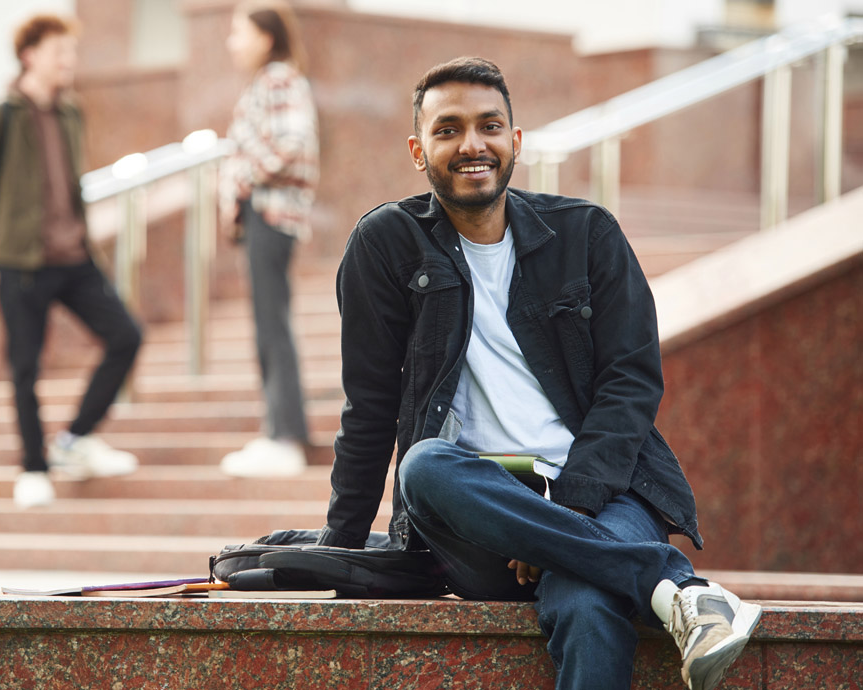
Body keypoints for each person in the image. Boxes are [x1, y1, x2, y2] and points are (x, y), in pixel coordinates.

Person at [317, 57, 762, 690]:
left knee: (584, 600)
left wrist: (566, 512)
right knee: (423, 464)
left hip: (604, 492)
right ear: (419, 150)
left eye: (489, 126)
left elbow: (630, 386)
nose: (472, 144)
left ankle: (613, 567)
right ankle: (674, 587)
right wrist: (339, 554)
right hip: (476, 511)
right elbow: (369, 406)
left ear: (515, 142)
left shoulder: (587, 235)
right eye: (448, 130)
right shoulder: (386, 244)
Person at [0, 14, 142, 509]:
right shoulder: (0, 113)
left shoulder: (70, 112)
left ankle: (76, 439)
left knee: (126, 335)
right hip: (23, 263)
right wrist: (4, 249)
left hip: (75, 256)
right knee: (24, 366)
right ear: (30, 55)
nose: (69, 62)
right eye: (60, 52)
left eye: (72, 53)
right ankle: (33, 466)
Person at [217, 0, 319, 478]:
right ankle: (279, 430)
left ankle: (284, 436)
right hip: (267, 215)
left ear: (266, 36)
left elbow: (291, 142)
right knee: (267, 323)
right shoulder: (270, 80)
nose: (232, 42)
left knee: (271, 325)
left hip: (271, 212)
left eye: (239, 31)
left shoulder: (277, 78)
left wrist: (241, 174)